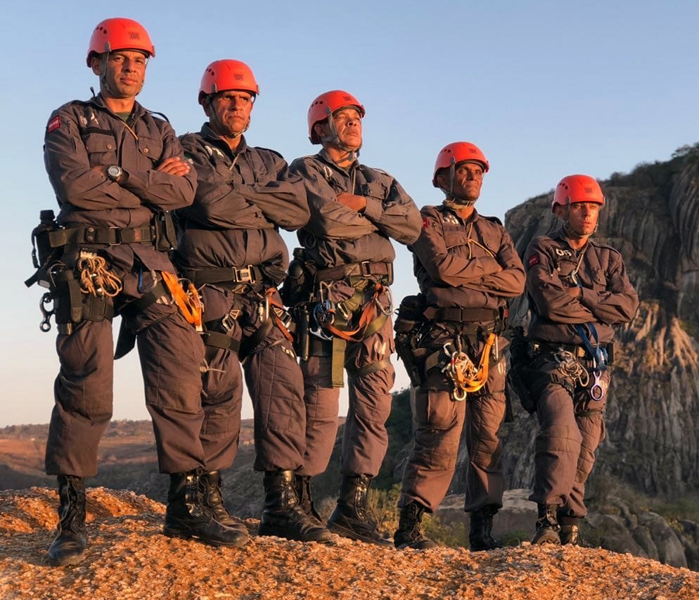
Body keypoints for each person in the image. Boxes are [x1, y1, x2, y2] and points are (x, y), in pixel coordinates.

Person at [38, 19, 246, 566]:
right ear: (97, 63)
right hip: (87, 260)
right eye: (122, 58)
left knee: (180, 373)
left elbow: (181, 191)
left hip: (153, 263)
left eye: (141, 60)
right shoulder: (70, 119)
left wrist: (119, 175)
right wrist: (146, 178)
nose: (133, 67)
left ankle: (183, 505)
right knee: (88, 383)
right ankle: (72, 514)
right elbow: (75, 187)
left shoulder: (159, 126)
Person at [175, 60, 331, 543]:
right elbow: (206, 204)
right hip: (208, 288)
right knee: (217, 396)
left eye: (246, 98)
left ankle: (280, 504)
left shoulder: (269, 159)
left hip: (263, 292)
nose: (238, 105)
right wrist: (258, 201)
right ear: (207, 101)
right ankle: (208, 499)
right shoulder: (185, 150)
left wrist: (239, 195)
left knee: (283, 389)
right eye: (228, 97)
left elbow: (297, 209)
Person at [286, 90, 422, 545]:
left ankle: (353, 505)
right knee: (320, 408)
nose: (351, 123)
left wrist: (366, 207)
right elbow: (327, 221)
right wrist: (379, 222)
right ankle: (299, 501)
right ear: (320, 127)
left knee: (375, 404)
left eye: (354, 117)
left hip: (376, 303)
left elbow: (413, 227)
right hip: (328, 298)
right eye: (340, 117)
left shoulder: (378, 180)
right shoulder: (306, 170)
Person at [393, 142, 525, 550]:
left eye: (479, 171)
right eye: (464, 170)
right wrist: (490, 272)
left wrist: (470, 275)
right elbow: (443, 270)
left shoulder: (495, 229)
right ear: (443, 177)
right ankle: (410, 527)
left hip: (489, 343)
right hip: (444, 341)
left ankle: (481, 531)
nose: (473, 177)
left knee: (488, 437)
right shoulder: (426, 220)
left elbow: (517, 281)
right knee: (439, 433)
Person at [520, 174, 638, 545]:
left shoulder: (608, 258)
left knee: (587, 445)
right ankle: (547, 520)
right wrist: (598, 307)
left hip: (595, 365)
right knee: (562, 432)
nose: (588, 214)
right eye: (580, 207)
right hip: (550, 359)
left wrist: (580, 295)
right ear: (561, 209)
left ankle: (570, 524)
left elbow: (628, 307)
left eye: (593, 207)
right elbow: (549, 303)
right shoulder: (543, 248)